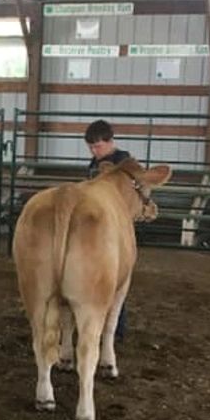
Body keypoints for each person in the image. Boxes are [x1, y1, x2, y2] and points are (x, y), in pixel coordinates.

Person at [84, 119, 130, 340]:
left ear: (111, 141)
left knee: (116, 278)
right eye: (91, 147)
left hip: (115, 224)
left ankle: (116, 328)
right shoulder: (94, 164)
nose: (94, 151)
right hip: (96, 223)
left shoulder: (124, 162)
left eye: (98, 146)